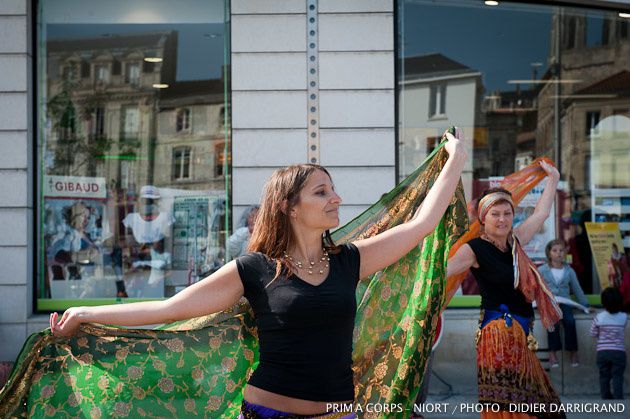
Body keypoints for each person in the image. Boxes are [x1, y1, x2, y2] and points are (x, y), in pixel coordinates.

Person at [49, 131, 467, 418]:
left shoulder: (349, 261)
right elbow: (171, 308)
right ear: (288, 206)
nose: (336, 198)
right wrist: (87, 312)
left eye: (333, 188)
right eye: (322, 192)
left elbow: (422, 224)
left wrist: (456, 160)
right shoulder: (254, 269)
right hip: (268, 410)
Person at [446, 160, 564, 418]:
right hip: (498, 335)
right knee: (512, 409)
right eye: (495, 214)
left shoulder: (516, 242)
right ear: (483, 218)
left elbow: (541, 214)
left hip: (521, 334)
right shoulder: (474, 249)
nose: (502, 219)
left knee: (542, 407)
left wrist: (552, 178)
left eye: (507, 213)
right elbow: (442, 272)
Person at [539, 239, 589, 367]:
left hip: (565, 301)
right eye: (555, 251)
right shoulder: (542, 270)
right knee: (552, 322)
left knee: (570, 321)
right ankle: (552, 352)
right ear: (549, 253)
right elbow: (536, 288)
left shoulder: (569, 270)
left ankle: (573, 351)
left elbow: (577, 289)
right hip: (550, 303)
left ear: (565, 253)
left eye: (561, 250)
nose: (558, 253)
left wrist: (586, 305)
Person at [590, 287, 627, 400]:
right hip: (619, 353)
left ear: (603, 303)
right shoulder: (624, 317)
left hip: (603, 352)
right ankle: (618, 398)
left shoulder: (599, 317)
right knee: (618, 376)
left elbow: (592, 333)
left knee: (604, 376)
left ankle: (606, 398)